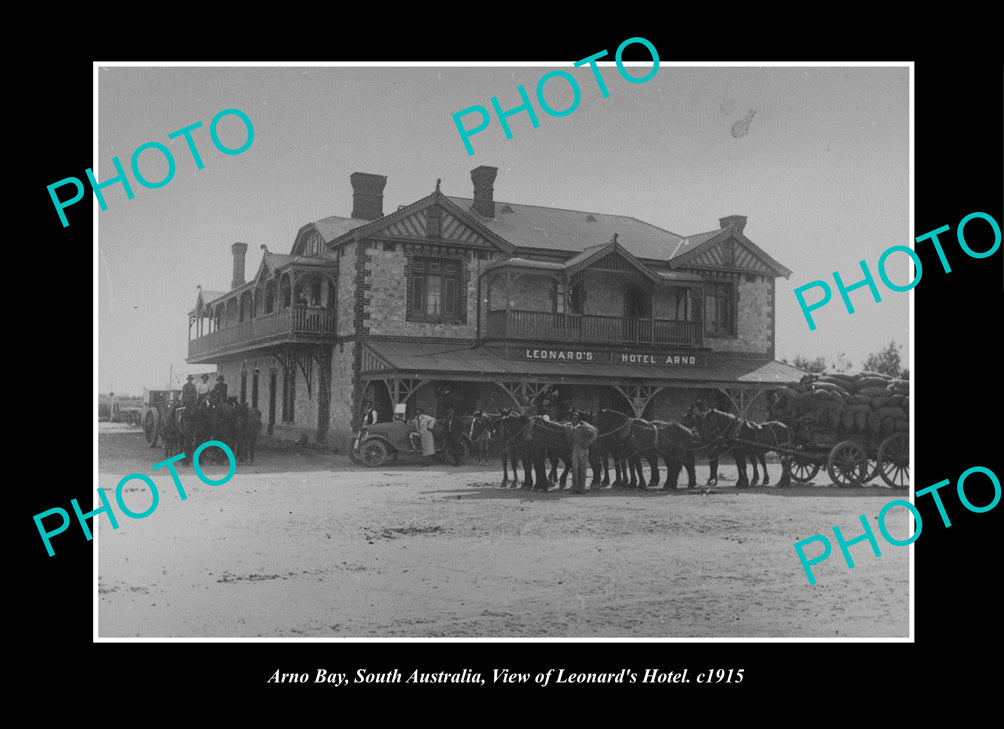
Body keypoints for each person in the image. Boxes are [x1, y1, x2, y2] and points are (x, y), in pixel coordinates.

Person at [566, 411, 598, 494]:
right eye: (573, 418)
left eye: (576, 418)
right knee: (575, 469)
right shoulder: (569, 429)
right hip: (574, 451)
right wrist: (571, 445)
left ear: (578, 420)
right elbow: (568, 437)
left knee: (583, 470)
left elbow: (594, 434)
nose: (574, 420)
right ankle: (575, 489)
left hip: (583, 450)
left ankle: (582, 489)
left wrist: (587, 443)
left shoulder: (583, 428)